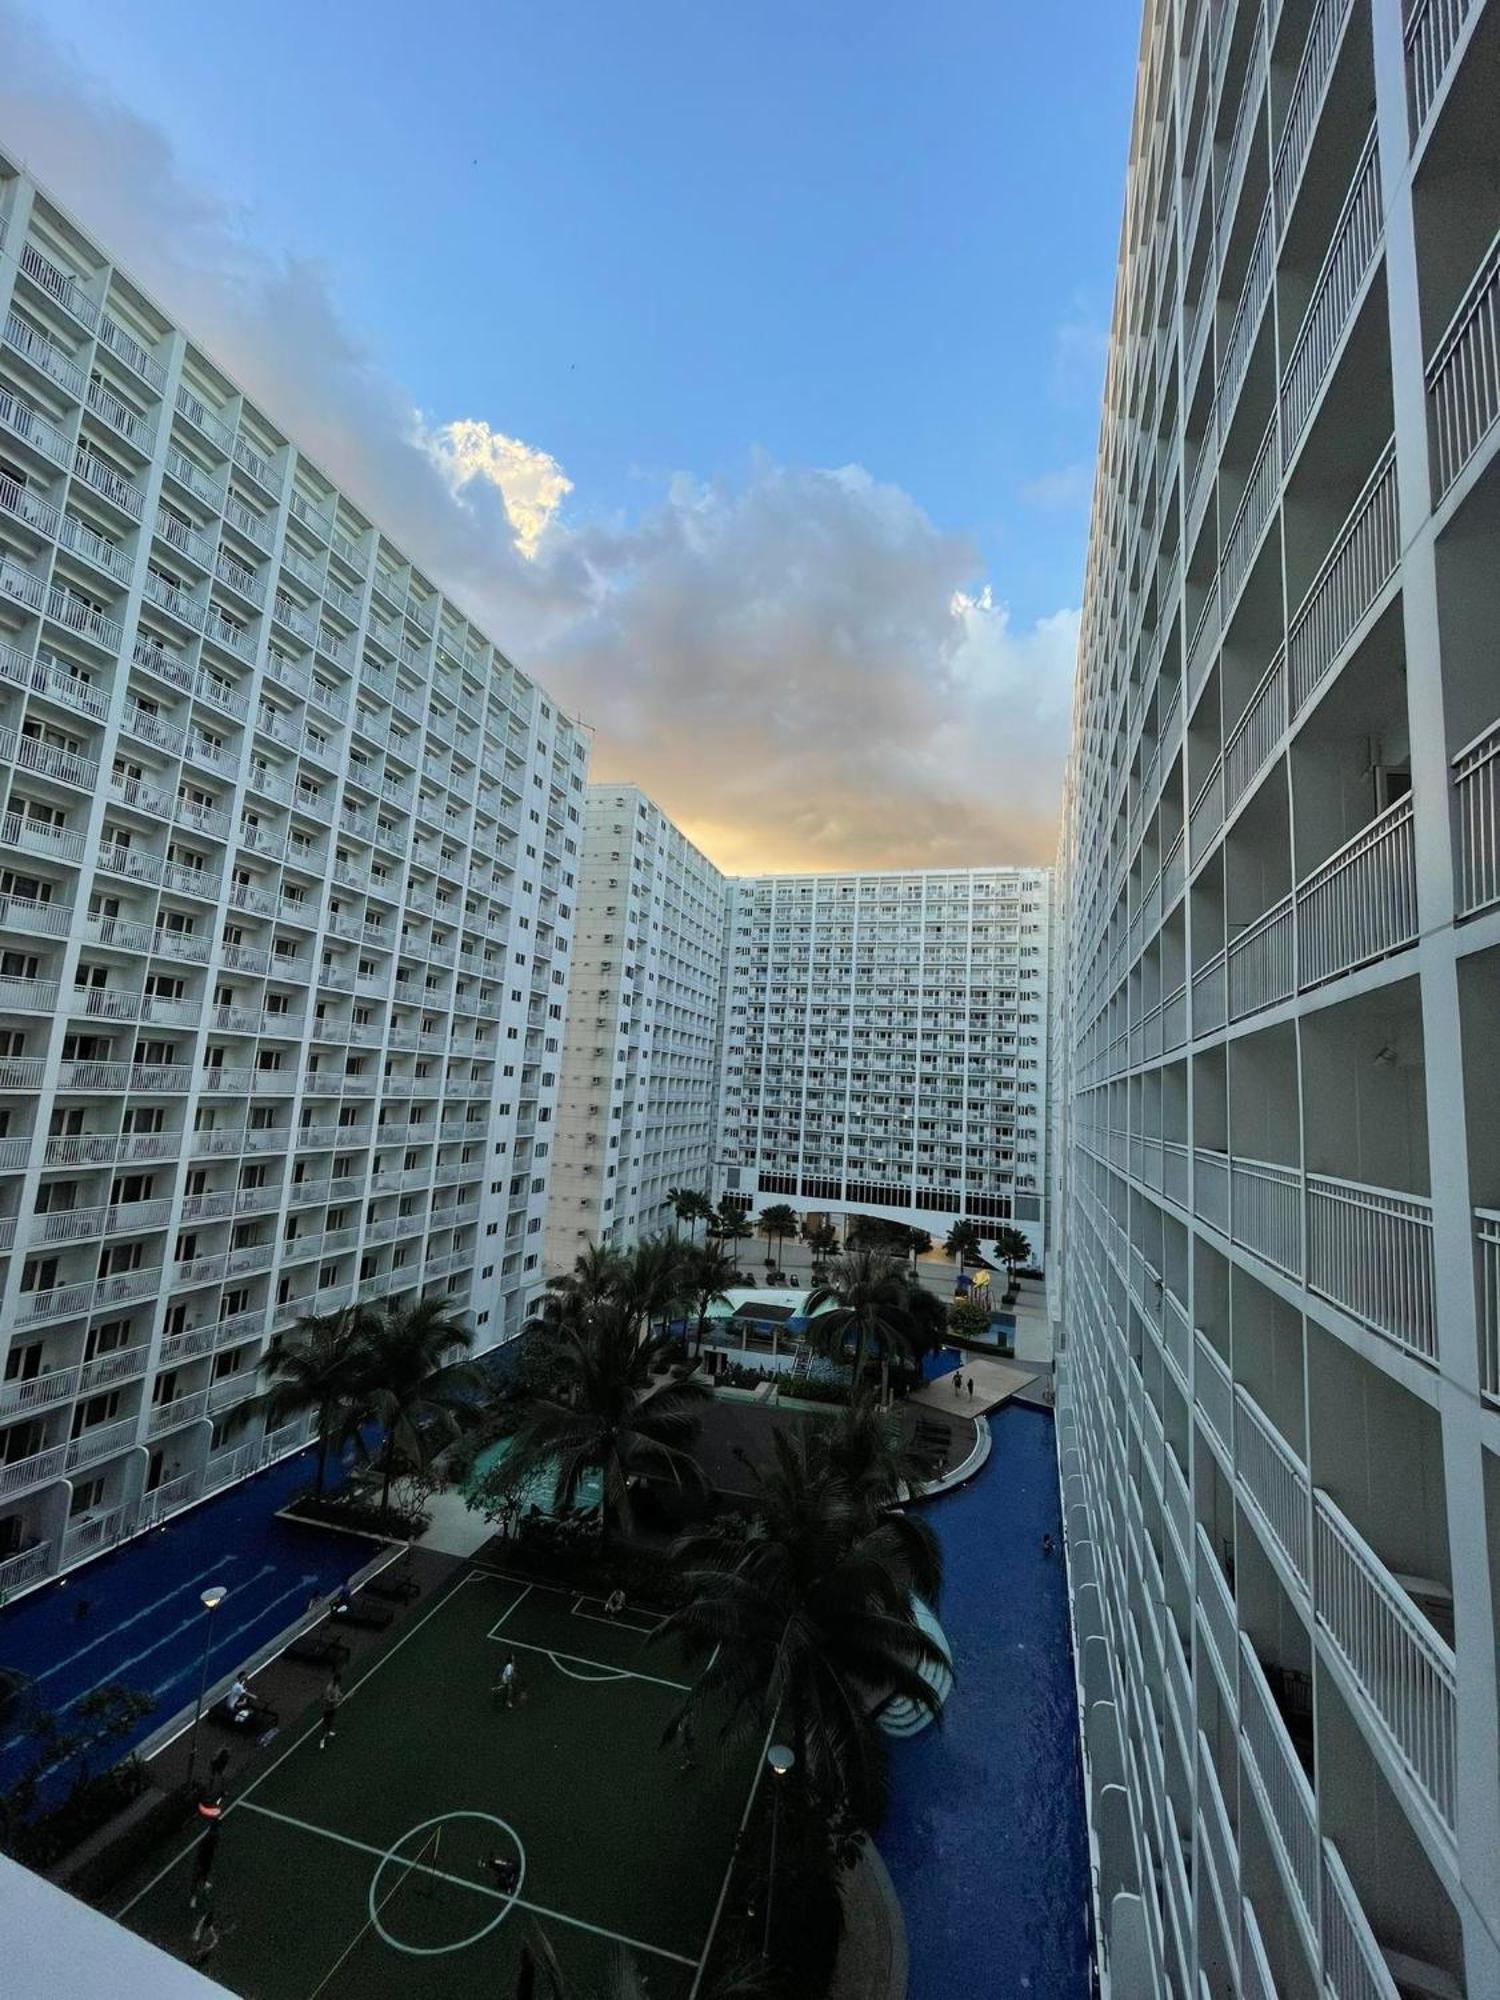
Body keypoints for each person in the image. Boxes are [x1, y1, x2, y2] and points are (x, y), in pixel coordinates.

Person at [319, 1671, 343, 1750]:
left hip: (333, 1707)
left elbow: (338, 1692)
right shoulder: (329, 1688)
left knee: (331, 1721)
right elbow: (327, 1699)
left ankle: (328, 1732)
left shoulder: (336, 1685)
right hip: (327, 1708)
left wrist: (340, 1695)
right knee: (326, 1722)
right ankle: (322, 1740)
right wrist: (335, 1700)